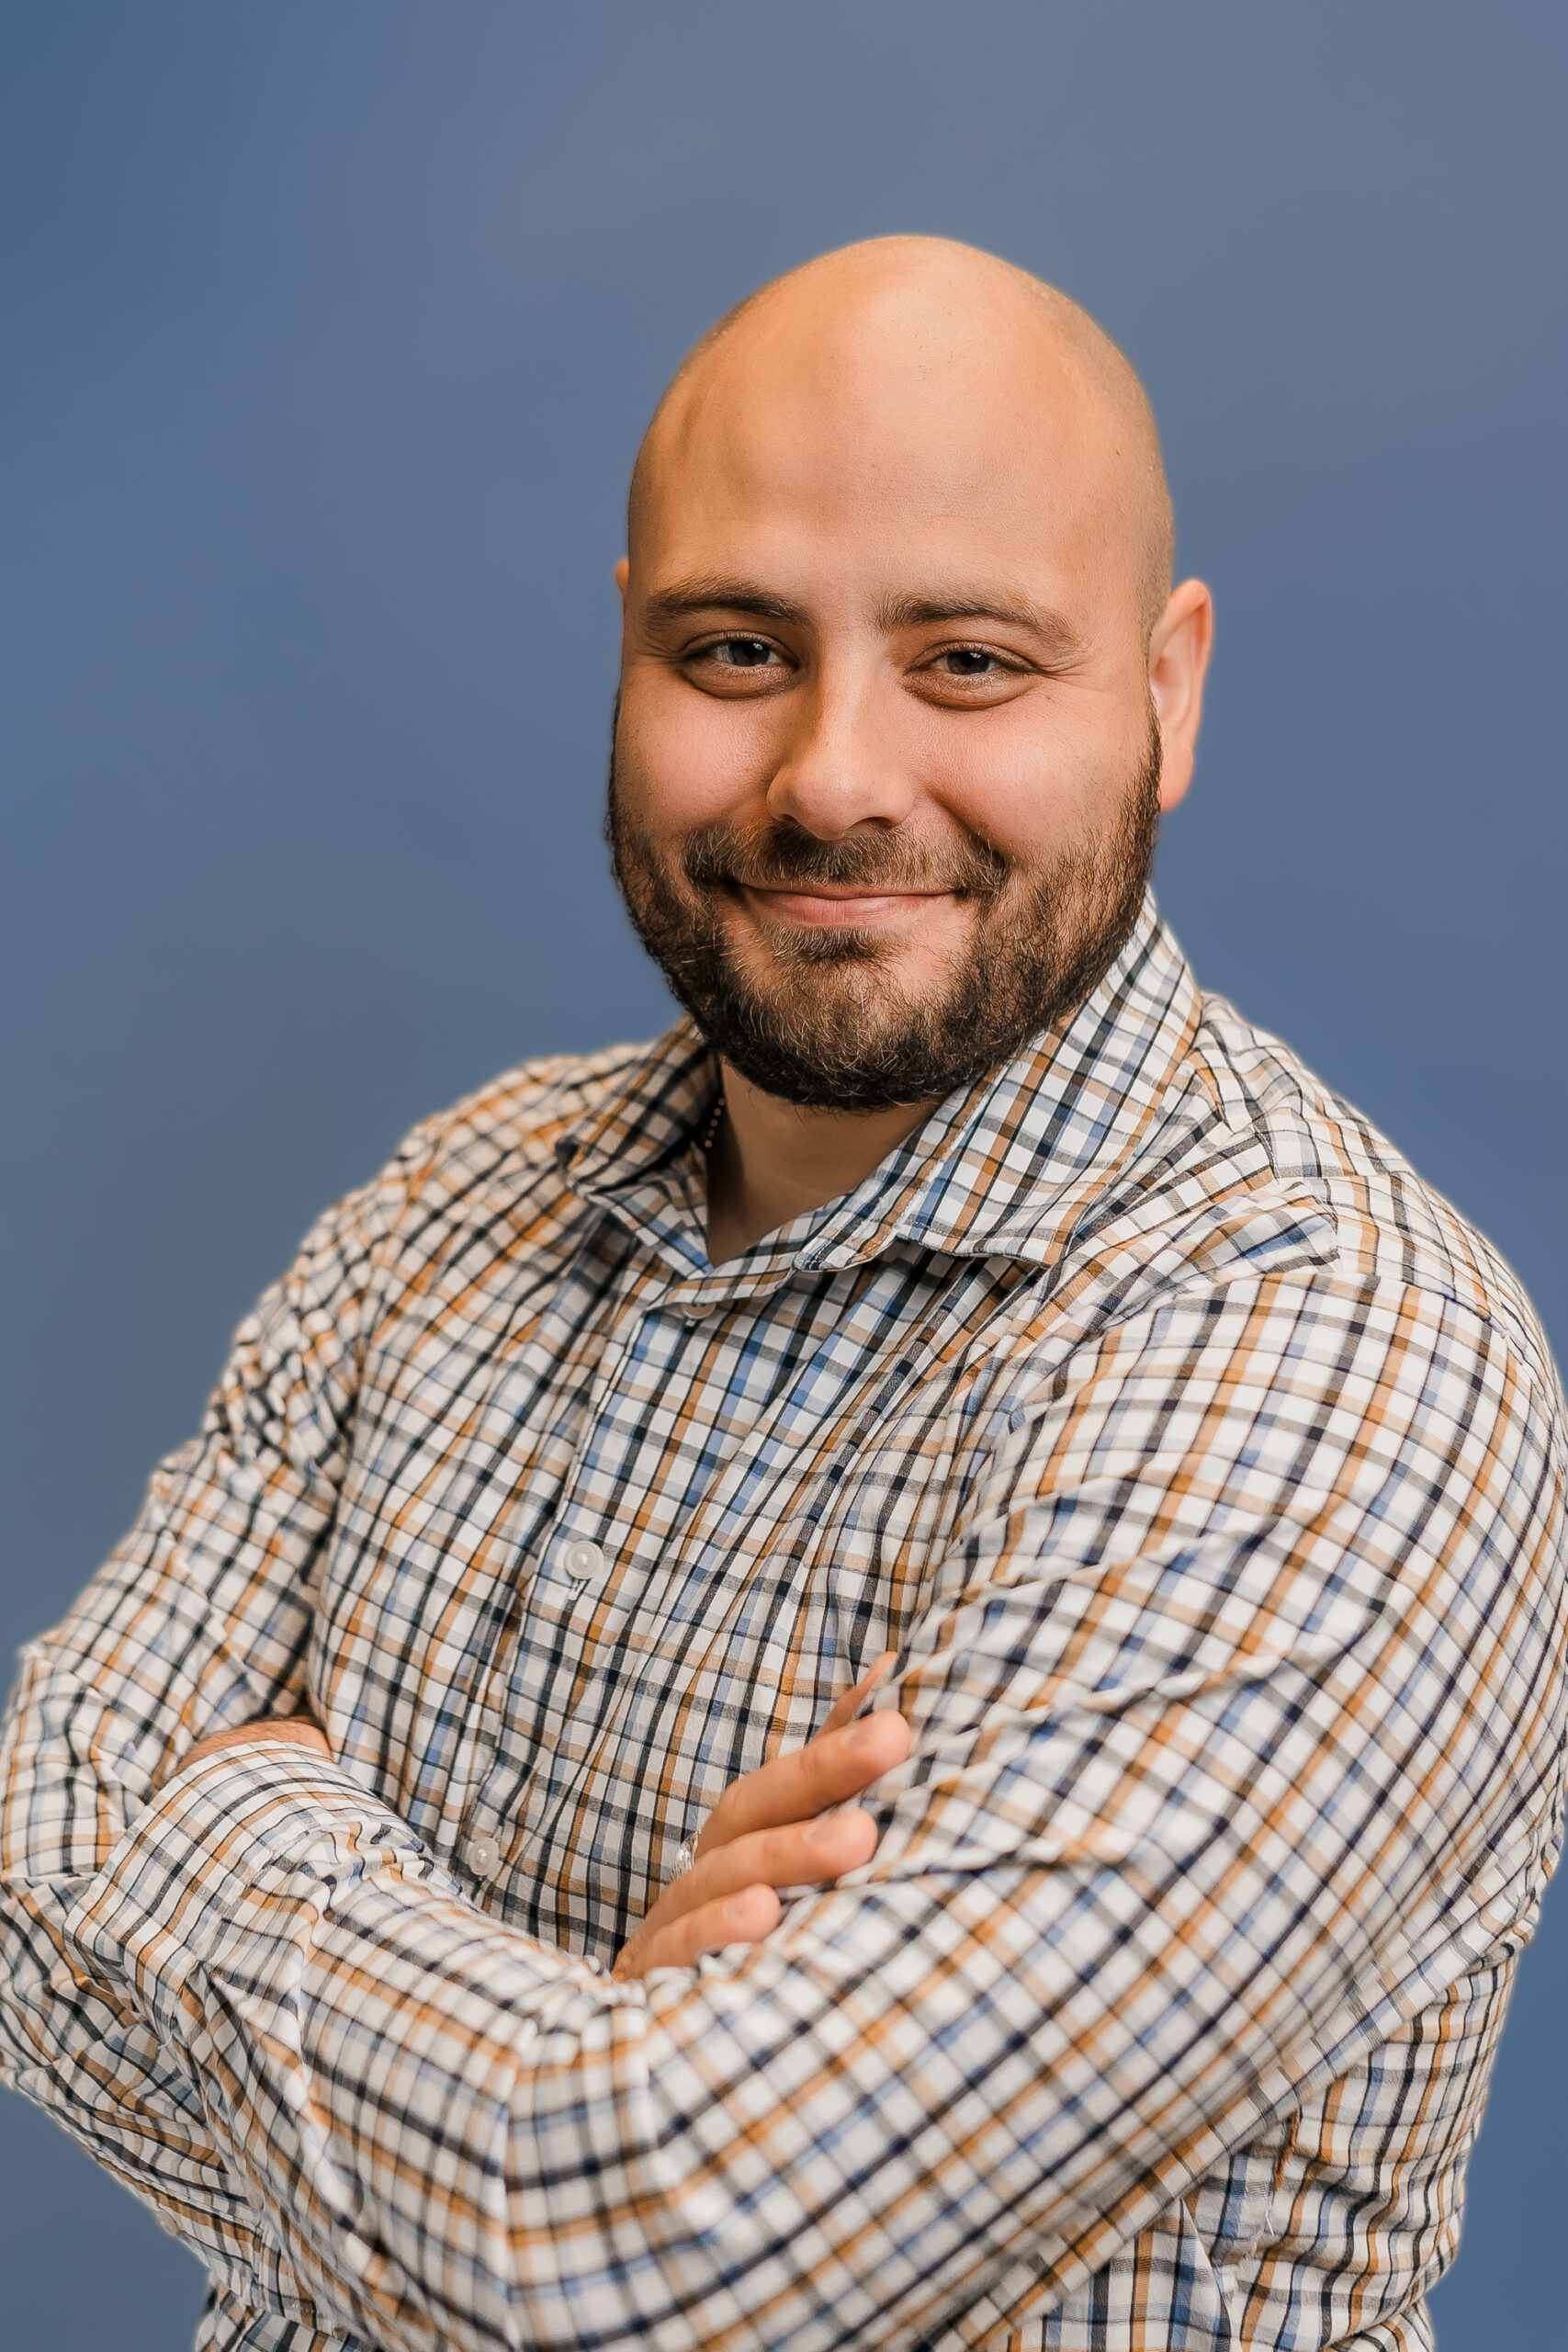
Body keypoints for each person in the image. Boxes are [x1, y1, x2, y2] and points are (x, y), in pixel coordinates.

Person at [2, 234, 1563, 2352]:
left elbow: (665, 2277)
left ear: (1164, 689)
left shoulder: (1334, 1362)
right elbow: (23, 1849)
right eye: (734, 647)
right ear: (626, 653)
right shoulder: (447, 1205)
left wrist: (238, 1818)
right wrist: (576, 2077)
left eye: (968, 660)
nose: (831, 775)